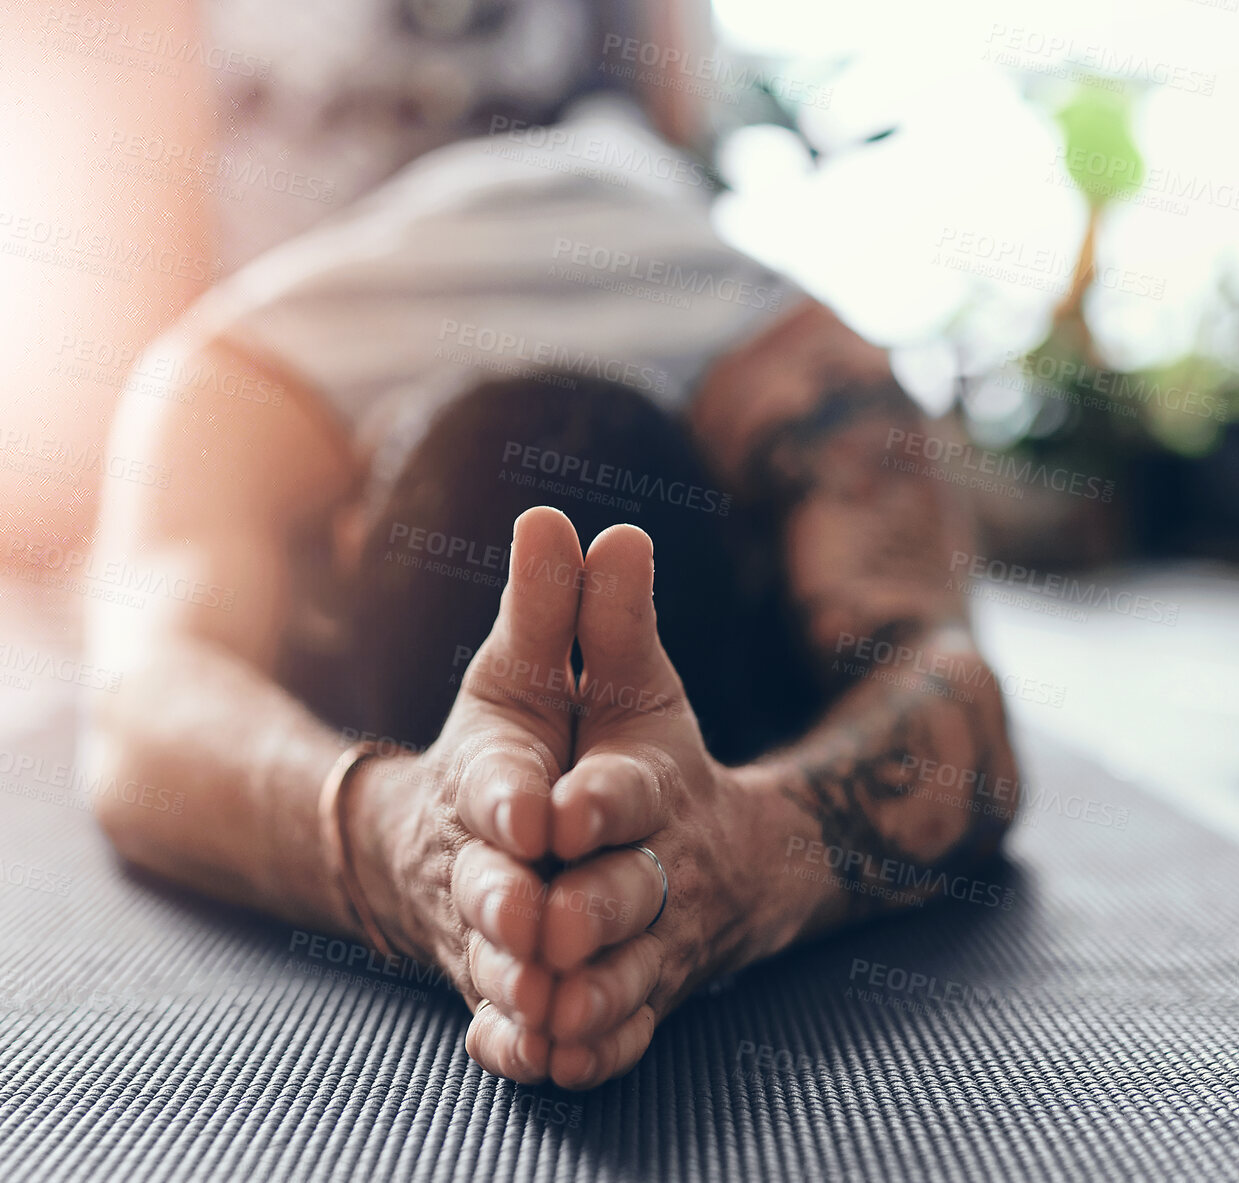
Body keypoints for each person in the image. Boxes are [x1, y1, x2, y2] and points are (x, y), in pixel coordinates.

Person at [80, 97, 1020, 1092]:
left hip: (633, 159)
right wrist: (401, 841)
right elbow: (136, 707)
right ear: (340, 549)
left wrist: (739, 856)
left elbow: (951, 684)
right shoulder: (238, 373)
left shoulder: (792, 361)